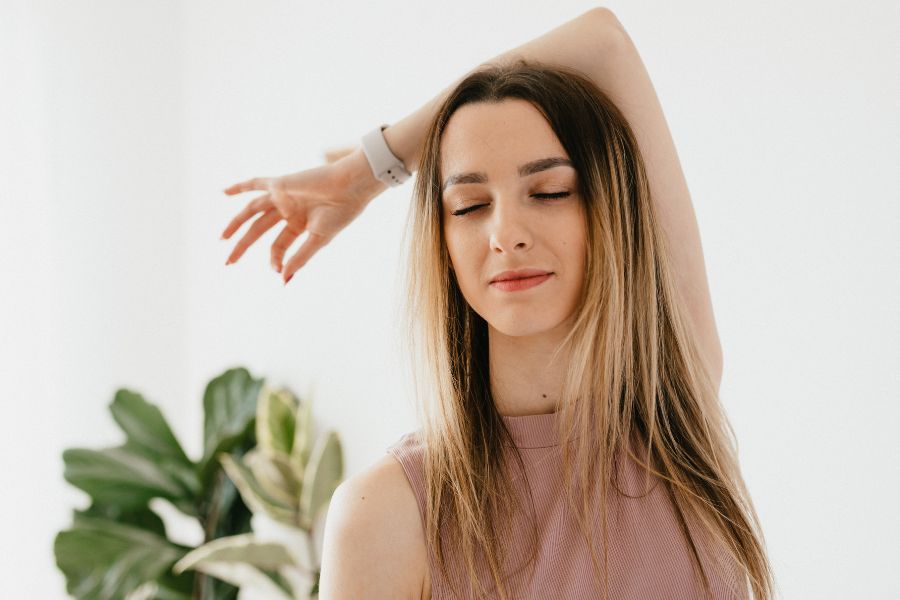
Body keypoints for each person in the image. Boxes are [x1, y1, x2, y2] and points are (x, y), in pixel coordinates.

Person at [220, 8, 775, 600]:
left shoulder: (675, 415)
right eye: (469, 205)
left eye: (549, 192)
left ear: (608, 214)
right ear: (444, 245)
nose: (505, 233)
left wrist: (367, 169)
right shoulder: (387, 513)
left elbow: (603, 43)